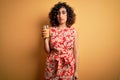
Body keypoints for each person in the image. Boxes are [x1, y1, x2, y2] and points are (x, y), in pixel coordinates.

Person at [42, 2, 79, 80]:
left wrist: (76, 71)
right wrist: (45, 39)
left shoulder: (73, 31)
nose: (60, 16)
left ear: (67, 15)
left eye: (63, 12)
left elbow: (76, 52)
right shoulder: (51, 30)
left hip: (68, 65)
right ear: (55, 16)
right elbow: (48, 51)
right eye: (58, 13)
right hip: (52, 65)